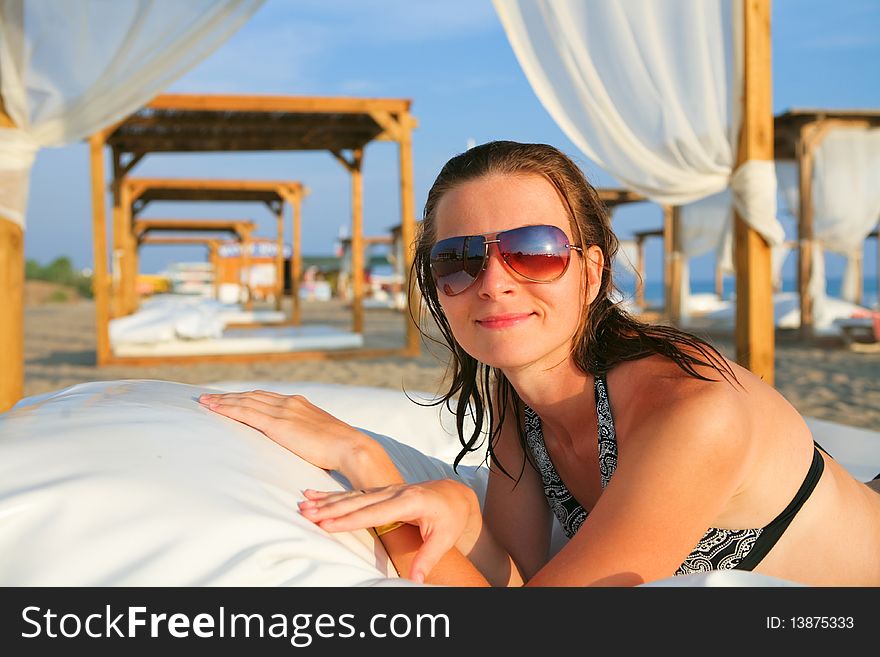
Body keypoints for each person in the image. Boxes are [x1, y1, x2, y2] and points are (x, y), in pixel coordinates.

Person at [199, 141, 880, 587]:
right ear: (438, 285)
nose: (493, 280)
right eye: (459, 258)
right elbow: (510, 576)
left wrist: (363, 456)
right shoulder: (516, 399)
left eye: (532, 250)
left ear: (590, 272)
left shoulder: (689, 413)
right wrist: (459, 515)